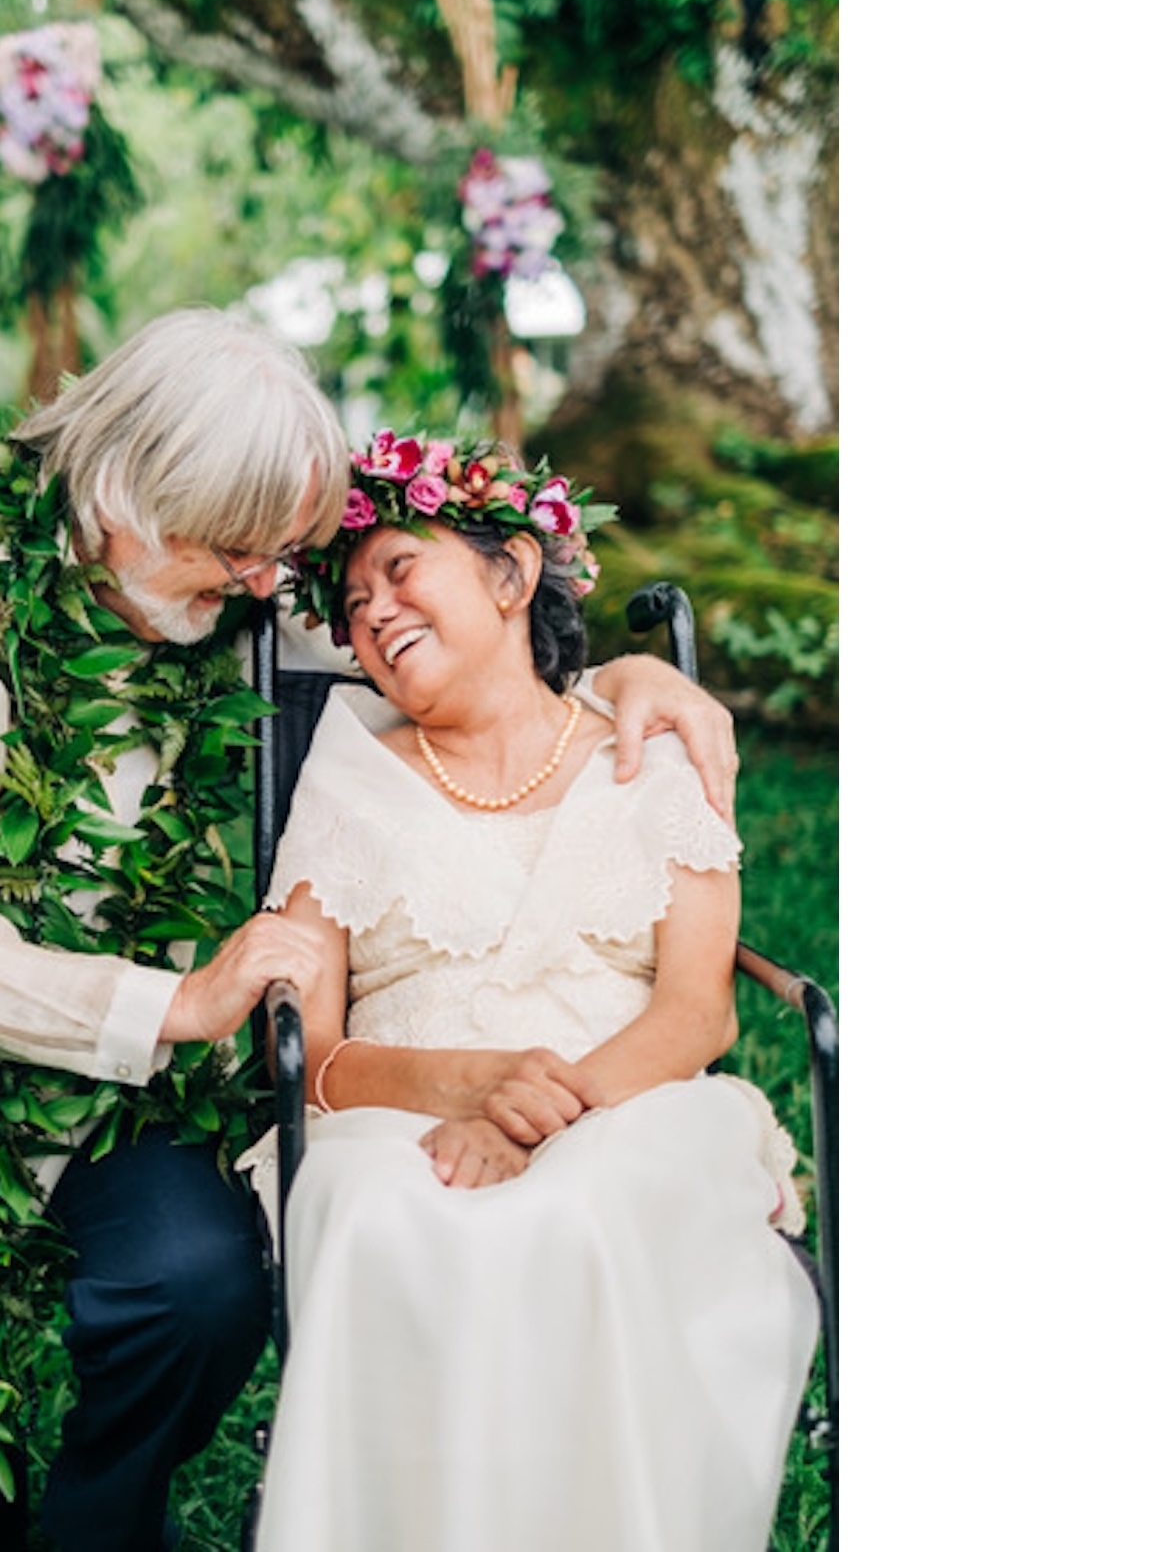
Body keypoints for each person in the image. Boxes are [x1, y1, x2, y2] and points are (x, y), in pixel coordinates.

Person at [0, 310, 745, 1552]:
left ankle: (100, 1527)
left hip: (111, 1113)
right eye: (240, 551)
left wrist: (629, 678)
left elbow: (464, 659)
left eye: (282, 555)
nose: (272, 589)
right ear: (120, 494)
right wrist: (180, 1006)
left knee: (199, 1284)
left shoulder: (220, 593)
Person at [244, 429, 822, 1552]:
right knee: (381, 1217)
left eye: (400, 568)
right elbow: (307, 1047)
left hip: (632, 1097)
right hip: (398, 1112)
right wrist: (459, 1086)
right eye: (353, 600)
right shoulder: (348, 773)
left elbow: (698, 1011)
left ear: (511, 571)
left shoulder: (651, 752)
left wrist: (531, 1116)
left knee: (580, 1213)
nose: (372, 611)